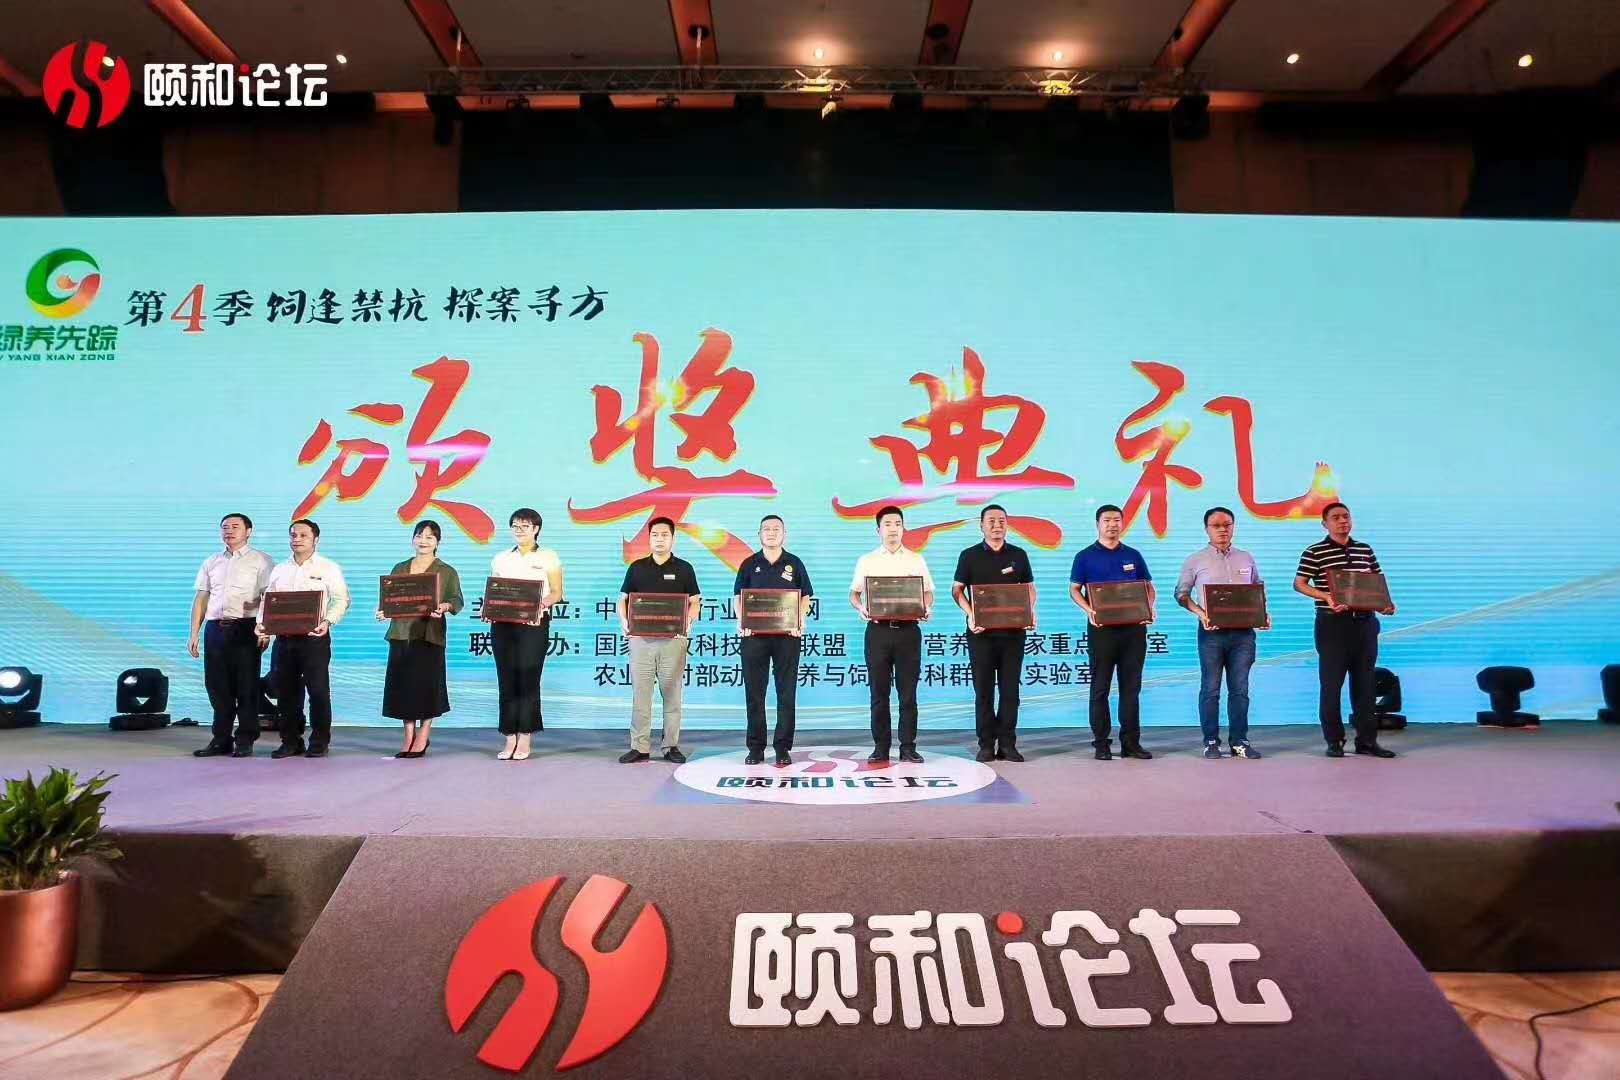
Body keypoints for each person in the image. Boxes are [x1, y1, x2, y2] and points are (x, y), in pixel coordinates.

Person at [1294, 502, 1398, 759]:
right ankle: (1334, 741)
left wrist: (1385, 603)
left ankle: (1367, 741)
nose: (1342, 521)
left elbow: (1376, 581)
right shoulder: (1315, 551)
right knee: (1331, 685)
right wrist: (1326, 596)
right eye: (1336, 518)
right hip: (1333, 625)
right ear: (1325, 524)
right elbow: (1299, 584)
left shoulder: (1364, 549)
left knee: (1365, 684)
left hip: (1365, 623)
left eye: (1346, 517)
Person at [1175, 507, 1267, 761]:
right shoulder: (1195, 560)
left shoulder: (1246, 558)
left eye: (1227, 524)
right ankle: (1211, 741)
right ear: (1206, 529)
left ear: (1233, 526)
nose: (1222, 529)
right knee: (1211, 689)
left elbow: (1257, 589)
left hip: (1243, 635)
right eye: (1216, 525)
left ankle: (1240, 741)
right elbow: (1180, 594)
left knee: (1240, 690)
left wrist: (1262, 614)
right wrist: (1201, 613)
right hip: (1211, 635)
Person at [257, 518, 350, 759]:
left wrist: (327, 621)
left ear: (315, 539)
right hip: (284, 639)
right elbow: (268, 601)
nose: (296, 539)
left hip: (314, 639)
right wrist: (262, 625)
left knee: (318, 691)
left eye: (303, 535)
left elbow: (341, 599)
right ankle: (290, 741)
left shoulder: (328, 567)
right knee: (286, 692)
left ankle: (319, 741)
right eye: (293, 535)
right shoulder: (280, 569)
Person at [1069, 504, 1155, 761]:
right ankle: (1101, 744)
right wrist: (1089, 610)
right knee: (1100, 689)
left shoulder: (1133, 555)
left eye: (1117, 520)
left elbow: (1148, 587)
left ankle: (1131, 743)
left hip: (1133, 631)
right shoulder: (1085, 556)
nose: (1112, 524)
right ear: (1098, 524)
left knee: (1131, 689)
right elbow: (1075, 589)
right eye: (1107, 520)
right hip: (1102, 631)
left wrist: (1149, 607)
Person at [850, 505, 935, 764]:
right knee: (879, 693)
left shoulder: (916, 559)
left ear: (903, 528)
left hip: (908, 632)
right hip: (878, 632)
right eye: (887, 524)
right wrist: (861, 608)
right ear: (878, 530)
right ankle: (881, 747)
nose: (893, 529)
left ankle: (908, 747)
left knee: (908, 694)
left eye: (897, 524)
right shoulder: (867, 560)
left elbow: (927, 592)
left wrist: (926, 607)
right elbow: (854, 594)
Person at [951, 504, 1035, 763]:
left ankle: (1008, 744)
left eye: (1001, 521)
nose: (997, 525)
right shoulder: (969, 556)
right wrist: (971, 614)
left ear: (1007, 524)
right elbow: (957, 590)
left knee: (1010, 692)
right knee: (984, 691)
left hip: (1013, 634)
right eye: (991, 521)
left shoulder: (1019, 555)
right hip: (981, 635)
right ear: (981, 525)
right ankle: (986, 744)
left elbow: (1029, 589)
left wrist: (1030, 612)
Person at [375, 520, 463, 759]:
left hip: (429, 635)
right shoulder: (400, 568)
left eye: (429, 537)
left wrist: (444, 606)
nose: (423, 541)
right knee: (403, 687)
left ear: (437, 542)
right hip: (401, 634)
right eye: (419, 536)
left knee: (427, 687)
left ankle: (423, 734)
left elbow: (456, 600)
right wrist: (383, 611)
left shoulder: (446, 571)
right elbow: (389, 599)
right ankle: (408, 736)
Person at [617, 516, 701, 764]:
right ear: (649, 538)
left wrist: (688, 623)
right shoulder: (637, 568)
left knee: (672, 694)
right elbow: (622, 599)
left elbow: (695, 601)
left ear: (673, 538)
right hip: (641, 640)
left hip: (673, 640)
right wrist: (624, 622)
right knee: (641, 695)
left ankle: (670, 745)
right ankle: (639, 746)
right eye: (655, 535)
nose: (660, 539)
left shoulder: (684, 568)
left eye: (665, 535)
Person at [190, 512, 273, 758]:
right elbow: (202, 597)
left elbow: (269, 598)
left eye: (235, 526)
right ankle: (221, 739)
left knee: (246, 686)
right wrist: (194, 632)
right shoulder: (212, 561)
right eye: (225, 527)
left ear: (248, 531)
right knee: (217, 686)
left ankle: (245, 739)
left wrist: (265, 630)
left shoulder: (262, 560)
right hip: (215, 628)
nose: (229, 531)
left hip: (246, 628)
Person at [734, 514, 814, 766]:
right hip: (754, 638)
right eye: (766, 529)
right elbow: (738, 598)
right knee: (754, 694)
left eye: (776, 529)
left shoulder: (794, 563)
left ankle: (782, 748)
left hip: (787, 637)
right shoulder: (749, 564)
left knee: (786, 693)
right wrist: (742, 621)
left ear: (784, 534)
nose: (771, 532)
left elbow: (805, 597)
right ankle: (755, 748)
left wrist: (799, 620)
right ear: (759, 534)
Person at [487, 508, 559, 761]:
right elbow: (496, 591)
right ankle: (509, 737)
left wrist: (539, 605)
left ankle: (525, 737)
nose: (519, 530)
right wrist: (491, 609)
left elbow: (557, 592)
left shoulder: (548, 556)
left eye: (525, 526)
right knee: (506, 680)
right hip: (503, 625)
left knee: (528, 679)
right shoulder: (501, 558)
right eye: (515, 526)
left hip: (534, 625)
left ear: (536, 529)